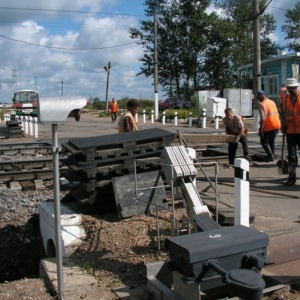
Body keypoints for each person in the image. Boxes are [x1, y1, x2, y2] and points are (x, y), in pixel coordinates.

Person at [280, 78, 300, 186]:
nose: (289, 90)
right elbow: (283, 112)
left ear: (296, 87)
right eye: (288, 88)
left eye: (291, 88)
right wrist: (283, 123)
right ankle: (292, 178)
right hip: (290, 131)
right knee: (292, 156)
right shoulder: (286, 99)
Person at [257, 90, 281, 162]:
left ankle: (270, 156)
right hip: (276, 124)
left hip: (268, 125)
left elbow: (262, 117)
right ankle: (272, 155)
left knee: (263, 142)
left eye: (258, 97)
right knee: (271, 141)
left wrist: (261, 128)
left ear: (261, 96)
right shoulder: (272, 102)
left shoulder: (262, 104)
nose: (257, 98)